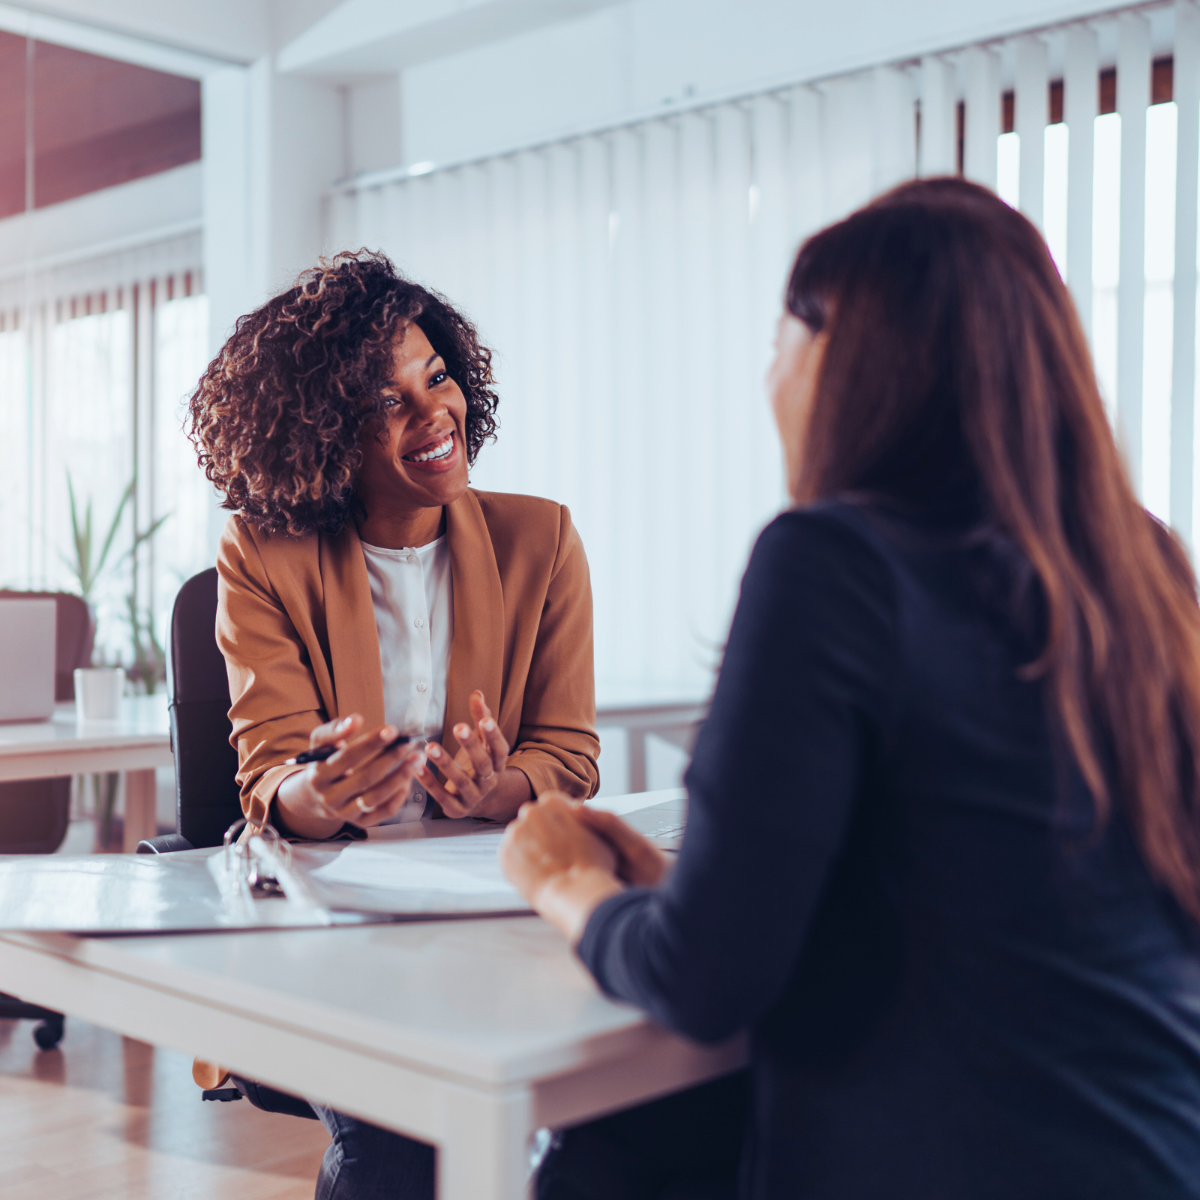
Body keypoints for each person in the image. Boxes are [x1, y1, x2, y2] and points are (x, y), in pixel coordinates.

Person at [501, 177, 1200, 1199]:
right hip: (1159, 1147)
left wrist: (563, 881)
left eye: (778, 342)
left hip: (963, 1163)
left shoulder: (831, 561)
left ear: (841, 354)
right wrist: (692, 894)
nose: (767, 377)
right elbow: (1002, 895)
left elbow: (701, 985)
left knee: (604, 1162)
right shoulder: (1140, 564)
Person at [186, 250, 600, 1199]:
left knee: (613, 1113)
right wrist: (322, 794)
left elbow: (569, 752)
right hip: (337, 934)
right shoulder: (264, 554)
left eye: (438, 378)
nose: (433, 416)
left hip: (491, 920)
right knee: (399, 1142)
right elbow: (268, 779)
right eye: (387, 401)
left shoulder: (543, 541)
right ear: (323, 430)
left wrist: (504, 787)